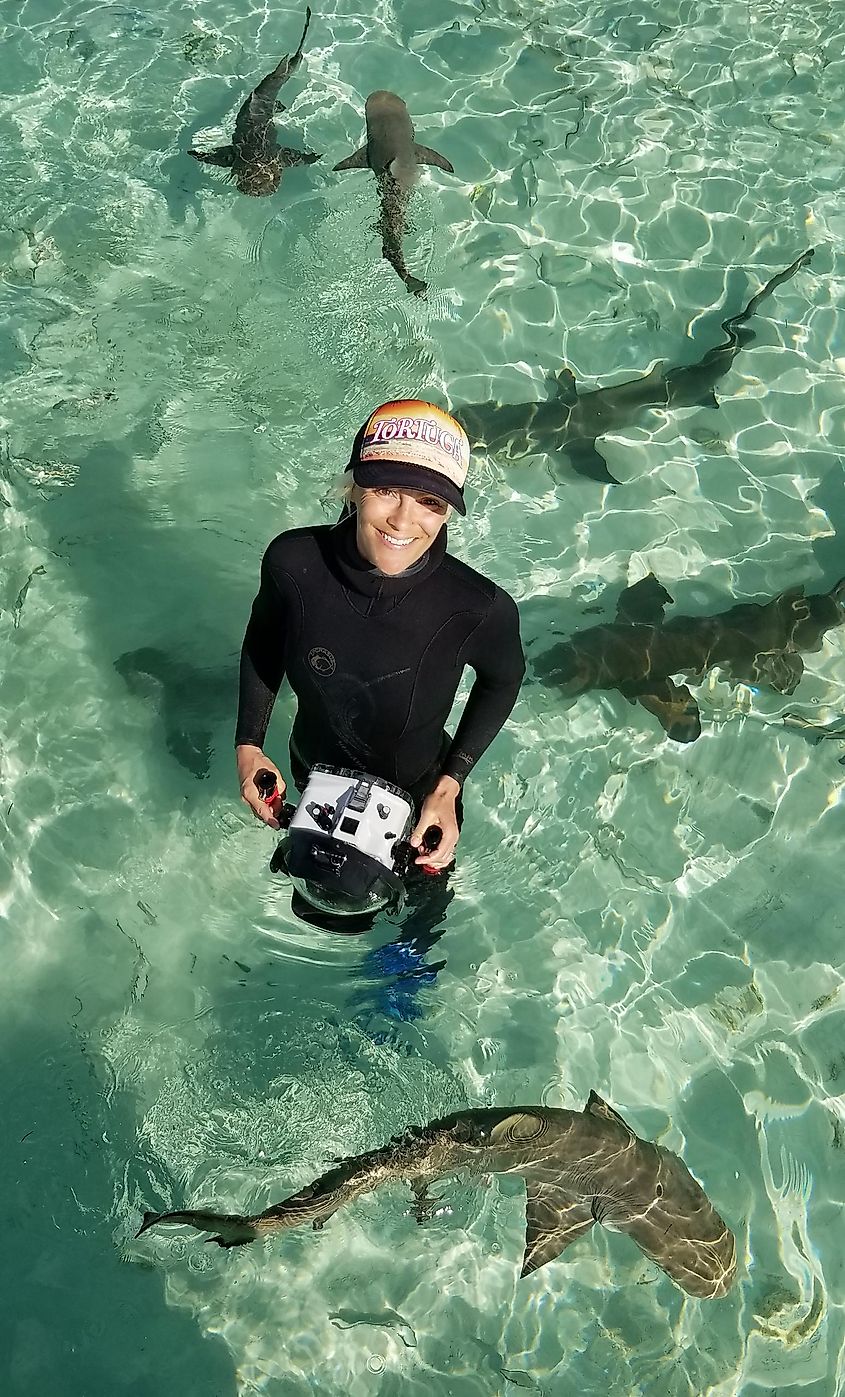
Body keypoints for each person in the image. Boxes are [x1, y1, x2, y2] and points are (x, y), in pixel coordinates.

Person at [234, 399, 525, 940]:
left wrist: (448, 786)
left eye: (430, 502)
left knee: (420, 901)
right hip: (312, 768)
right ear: (353, 486)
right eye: (385, 489)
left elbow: (503, 679)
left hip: (421, 791)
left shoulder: (475, 607)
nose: (403, 520)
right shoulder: (294, 563)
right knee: (318, 885)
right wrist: (249, 745)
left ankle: (407, 969)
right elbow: (264, 638)